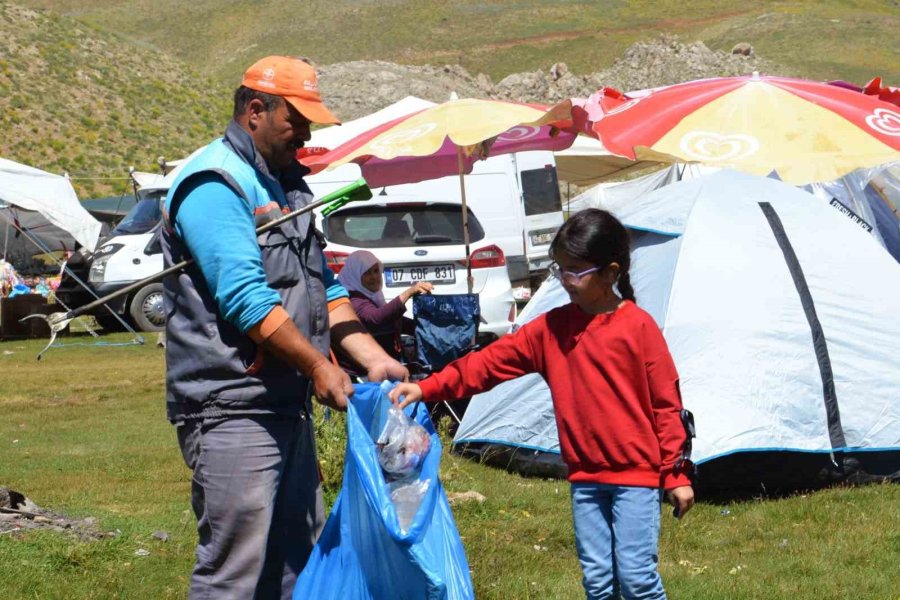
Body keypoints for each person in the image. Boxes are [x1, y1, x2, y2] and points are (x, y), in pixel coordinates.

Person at [162, 56, 408, 600]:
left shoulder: (288, 189)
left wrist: (370, 357)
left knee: (300, 556)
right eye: (297, 120)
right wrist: (320, 365)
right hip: (232, 407)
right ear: (256, 110)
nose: (306, 133)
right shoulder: (214, 184)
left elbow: (326, 287)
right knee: (236, 570)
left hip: (284, 401)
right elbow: (246, 299)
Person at [389, 209, 694, 600]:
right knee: (599, 585)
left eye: (576, 271)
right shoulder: (552, 330)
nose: (565, 280)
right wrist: (429, 387)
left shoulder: (638, 327)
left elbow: (666, 407)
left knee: (637, 581)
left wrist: (676, 474)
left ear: (609, 272)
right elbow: (487, 364)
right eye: (560, 269)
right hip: (585, 480)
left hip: (636, 480)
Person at [336, 250, 433, 364]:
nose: (374, 277)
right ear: (355, 275)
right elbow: (376, 318)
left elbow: (393, 321)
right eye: (367, 273)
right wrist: (408, 293)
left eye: (376, 271)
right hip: (362, 369)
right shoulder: (353, 299)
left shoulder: (372, 295)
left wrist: (427, 328)